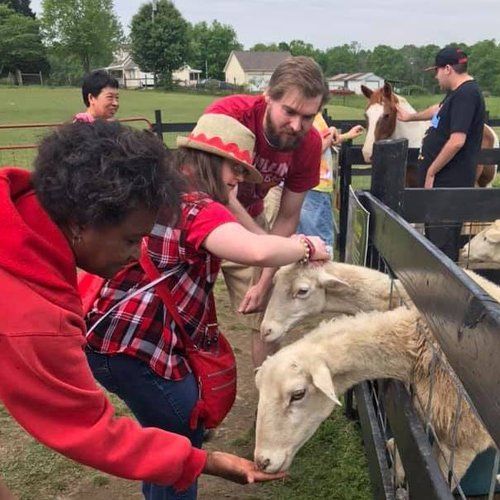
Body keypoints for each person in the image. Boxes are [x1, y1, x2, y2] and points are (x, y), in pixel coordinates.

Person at [0, 120, 286, 498]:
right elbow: (90, 431)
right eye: (132, 239)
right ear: (83, 221)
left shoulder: (25, 210)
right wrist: (205, 462)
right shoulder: (32, 319)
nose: (137, 254)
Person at [84, 113, 329, 500]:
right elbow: (257, 248)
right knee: (181, 442)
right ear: (212, 163)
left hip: (112, 337)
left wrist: (229, 200)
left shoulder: (159, 196)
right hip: (140, 346)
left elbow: (250, 235)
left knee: (167, 435)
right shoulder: (197, 209)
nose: (239, 180)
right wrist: (308, 246)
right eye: (235, 169)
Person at [204, 56, 329, 367]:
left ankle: (266, 407)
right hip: (202, 218)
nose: (297, 125)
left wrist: (264, 280)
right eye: (289, 111)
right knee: (184, 307)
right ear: (267, 96)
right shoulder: (230, 116)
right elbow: (217, 193)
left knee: (267, 315)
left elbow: (288, 216)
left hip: (252, 215)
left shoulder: (309, 144)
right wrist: (270, 246)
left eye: (309, 116)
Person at [397, 46, 485, 261]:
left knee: (443, 244)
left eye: (436, 71)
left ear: (447, 69)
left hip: (449, 183)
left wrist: (431, 172)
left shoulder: (467, 95)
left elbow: (457, 141)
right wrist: (410, 117)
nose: (436, 76)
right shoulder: (456, 95)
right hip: (442, 185)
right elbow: (437, 110)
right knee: (435, 239)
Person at [297, 113, 364, 255]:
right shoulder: (308, 115)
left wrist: (345, 136)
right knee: (320, 243)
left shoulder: (314, 115)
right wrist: (331, 131)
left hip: (315, 186)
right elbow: (315, 149)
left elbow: (322, 140)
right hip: (315, 187)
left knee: (307, 240)